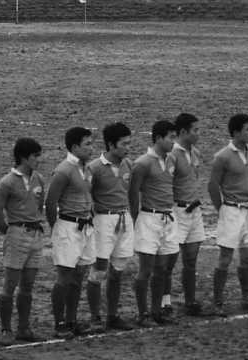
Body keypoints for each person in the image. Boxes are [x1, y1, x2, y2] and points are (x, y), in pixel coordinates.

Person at [207, 112, 248, 313]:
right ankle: (217, 302)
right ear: (235, 132)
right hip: (232, 210)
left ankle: (247, 298)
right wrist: (222, 209)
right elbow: (213, 186)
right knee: (225, 257)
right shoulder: (222, 157)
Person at [0, 138, 48, 342]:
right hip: (18, 234)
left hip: (35, 234)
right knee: (11, 284)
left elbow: (39, 207)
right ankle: (6, 330)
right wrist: (10, 232)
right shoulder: (8, 182)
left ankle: (23, 328)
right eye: (35, 156)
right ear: (24, 157)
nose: (39, 160)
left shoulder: (39, 179)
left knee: (28, 284)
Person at [45, 126, 98, 338]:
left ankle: (71, 320)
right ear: (75, 146)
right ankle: (59, 323)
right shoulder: (63, 170)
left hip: (85, 226)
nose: (91, 148)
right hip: (68, 227)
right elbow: (50, 202)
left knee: (79, 276)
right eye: (87, 144)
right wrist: (56, 228)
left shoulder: (87, 169)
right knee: (64, 277)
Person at [129, 121, 180, 325]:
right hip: (149, 218)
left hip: (167, 217)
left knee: (163, 267)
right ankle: (143, 314)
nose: (173, 142)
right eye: (170, 137)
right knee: (146, 269)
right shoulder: (143, 163)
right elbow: (133, 194)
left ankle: (157, 310)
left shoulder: (171, 160)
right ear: (158, 138)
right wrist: (135, 220)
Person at [87, 125, 134, 330]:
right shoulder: (94, 168)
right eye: (124, 144)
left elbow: (131, 194)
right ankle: (95, 317)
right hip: (103, 221)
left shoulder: (128, 165)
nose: (128, 148)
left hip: (124, 220)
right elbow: (87, 197)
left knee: (118, 270)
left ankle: (112, 315)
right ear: (110, 144)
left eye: (128, 143)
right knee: (98, 271)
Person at [169, 112, 213, 317]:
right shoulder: (172, 155)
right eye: (195, 130)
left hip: (194, 210)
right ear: (183, 131)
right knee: (168, 259)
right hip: (177, 211)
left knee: (191, 258)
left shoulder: (194, 152)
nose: (198, 134)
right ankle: (165, 303)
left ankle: (190, 301)